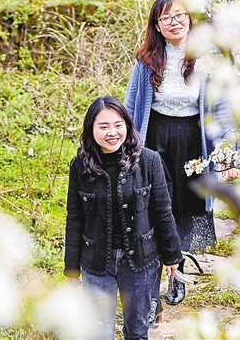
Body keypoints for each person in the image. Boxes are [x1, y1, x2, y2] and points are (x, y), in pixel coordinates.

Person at [124, 0, 240, 323]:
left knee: (182, 210)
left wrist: (228, 157)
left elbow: (221, 110)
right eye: (166, 18)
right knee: (151, 211)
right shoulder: (146, 61)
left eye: (180, 15)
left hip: (193, 141)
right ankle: (152, 295)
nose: (174, 22)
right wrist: (127, 149)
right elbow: (132, 108)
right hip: (155, 139)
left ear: (190, 19)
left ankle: (173, 268)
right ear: (157, 27)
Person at [64, 96, 182, 340]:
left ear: (127, 126)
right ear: (91, 129)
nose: (112, 132)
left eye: (118, 125)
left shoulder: (149, 161)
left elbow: (162, 211)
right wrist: (72, 269)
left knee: (137, 331)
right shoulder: (80, 167)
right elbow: (74, 219)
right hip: (96, 262)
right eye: (103, 126)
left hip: (140, 261)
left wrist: (172, 257)